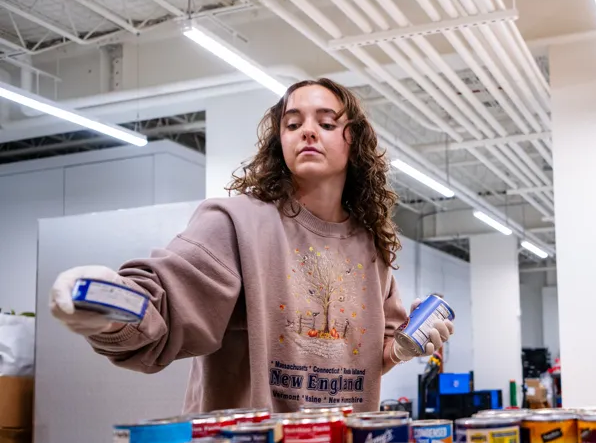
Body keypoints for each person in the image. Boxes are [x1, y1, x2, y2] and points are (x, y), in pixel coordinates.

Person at [49, 78, 454, 414]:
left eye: (327, 123)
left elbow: (366, 358)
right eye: (293, 124)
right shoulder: (235, 223)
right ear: (280, 142)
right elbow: (164, 307)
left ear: (355, 143)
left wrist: (405, 347)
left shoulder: (370, 248)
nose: (308, 131)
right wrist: (110, 307)